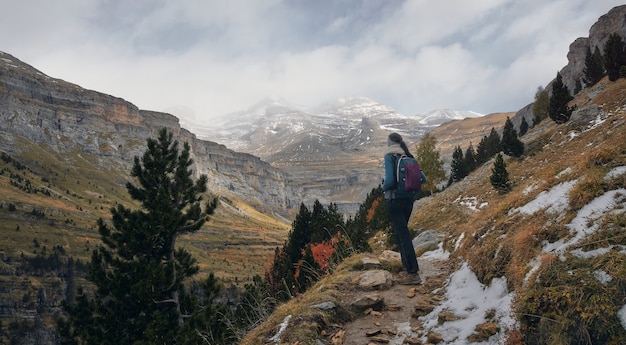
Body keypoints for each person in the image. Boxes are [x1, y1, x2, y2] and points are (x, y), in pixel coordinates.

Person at [381, 132, 422, 285]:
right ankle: (407, 267)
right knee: (400, 233)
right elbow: (422, 179)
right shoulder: (409, 157)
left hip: (394, 201)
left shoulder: (389, 157)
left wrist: (382, 187)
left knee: (403, 235)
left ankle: (412, 271)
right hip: (408, 200)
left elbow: (390, 181)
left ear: (390, 143)